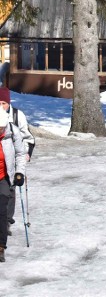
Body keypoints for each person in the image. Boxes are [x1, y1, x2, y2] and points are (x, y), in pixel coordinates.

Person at [0, 88, 34, 238]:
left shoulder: (17, 115)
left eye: (4, 103)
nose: (1, 106)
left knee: (10, 191)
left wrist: (25, 153)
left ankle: (6, 221)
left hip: (13, 159)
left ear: (9, 103)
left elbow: (28, 138)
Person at [0, 107, 27, 263]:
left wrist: (19, 172)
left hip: (4, 177)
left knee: (2, 212)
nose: (0, 131)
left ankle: (1, 247)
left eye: (1, 128)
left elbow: (20, 153)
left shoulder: (13, 132)